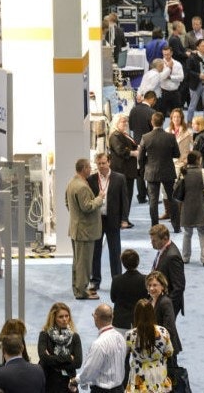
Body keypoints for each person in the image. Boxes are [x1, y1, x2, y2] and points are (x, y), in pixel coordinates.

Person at [86, 152, 129, 292]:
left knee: (115, 252)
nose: (101, 166)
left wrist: (124, 219)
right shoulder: (91, 179)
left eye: (104, 163)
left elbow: (124, 200)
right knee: (95, 252)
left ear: (109, 162)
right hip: (97, 220)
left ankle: (117, 281)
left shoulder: (119, 178)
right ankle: (95, 281)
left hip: (113, 220)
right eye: (99, 163)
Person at [66, 158, 104, 300]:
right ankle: (82, 292)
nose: (91, 169)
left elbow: (67, 203)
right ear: (84, 169)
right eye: (89, 167)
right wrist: (99, 198)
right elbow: (87, 207)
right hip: (85, 231)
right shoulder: (82, 186)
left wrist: (76, 217)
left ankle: (78, 288)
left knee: (78, 262)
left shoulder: (72, 183)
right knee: (84, 264)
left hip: (77, 229)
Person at [69, 304, 126, 393]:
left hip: (102, 391)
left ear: (96, 318)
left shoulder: (99, 344)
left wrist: (75, 381)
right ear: (112, 317)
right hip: (120, 388)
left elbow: (89, 372)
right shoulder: (121, 337)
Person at [139, 112, 181, 232]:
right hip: (168, 171)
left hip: (151, 172)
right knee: (172, 199)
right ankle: (176, 227)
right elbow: (177, 154)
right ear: (163, 122)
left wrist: (143, 169)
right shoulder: (170, 137)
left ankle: (155, 227)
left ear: (152, 122)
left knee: (153, 201)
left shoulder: (145, 137)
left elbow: (140, 158)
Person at [125, 299, 174, 392]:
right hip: (158, 373)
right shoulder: (163, 331)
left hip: (139, 375)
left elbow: (124, 354)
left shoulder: (130, 335)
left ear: (136, 315)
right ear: (152, 313)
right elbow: (169, 352)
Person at [38, 302, 82, 392]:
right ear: (54, 318)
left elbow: (78, 363)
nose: (65, 319)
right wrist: (68, 358)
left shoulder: (75, 336)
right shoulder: (44, 335)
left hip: (68, 383)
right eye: (61, 317)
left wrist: (52, 359)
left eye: (67, 316)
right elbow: (43, 358)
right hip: (49, 381)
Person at [180, 151, 204, 266]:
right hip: (201, 207)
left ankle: (185, 257)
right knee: (202, 233)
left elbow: (177, 188)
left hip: (187, 207)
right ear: (198, 160)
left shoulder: (183, 172)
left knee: (187, 233)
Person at [146, 271, 182, 369]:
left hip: (166, 349)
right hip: (154, 347)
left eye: (155, 285)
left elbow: (169, 329)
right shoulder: (149, 301)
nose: (151, 288)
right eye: (149, 285)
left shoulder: (165, 302)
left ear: (162, 286)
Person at [149, 224, 186, 317]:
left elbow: (179, 287)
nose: (151, 243)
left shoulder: (172, 257)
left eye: (154, 240)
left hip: (168, 305)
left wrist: (165, 306)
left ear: (165, 239)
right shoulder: (163, 249)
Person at [108, 114, 139, 224]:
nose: (125, 124)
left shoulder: (124, 134)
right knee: (123, 197)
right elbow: (120, 150)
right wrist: (133, 153)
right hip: (121, 171)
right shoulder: (115, 136)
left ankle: (125, 218)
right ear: (116, 123)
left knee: (127, 196)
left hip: (127, 171)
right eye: (123, 122)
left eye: (126, 122)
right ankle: (122, 220)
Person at [110, 249, 149, 334]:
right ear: (138, 262)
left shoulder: (116, 280)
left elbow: (113, 299)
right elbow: (148, 299)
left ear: (123, 263)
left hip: (119, 323)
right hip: (139, 322)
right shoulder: (145, 280)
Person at [128, 91, 156, 204]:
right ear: (152, 99)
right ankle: (151, 195)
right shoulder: (152, 112)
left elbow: (131, 126)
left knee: (139, 171)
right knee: (150, 170)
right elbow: (154, 129)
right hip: (149, 144)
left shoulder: (133, 110)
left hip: (136, 143)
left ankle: (141, 196)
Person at [185, 38, 204, 122]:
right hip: (195, 84)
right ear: (197, 47)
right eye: (203, 46)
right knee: (192, 105)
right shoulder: (192, 57)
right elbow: (188, 71)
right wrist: (198, 75)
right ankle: (189, 122)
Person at [167, 108, 193, 181]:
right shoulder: (167, 131)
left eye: (178, 117)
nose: (176, 119)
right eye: (174, 117)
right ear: (171, 118)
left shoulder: (188, 131)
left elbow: (194, 146)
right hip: (170, 163)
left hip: (183, 163)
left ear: (181, 118)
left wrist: (189, 158)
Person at [159, 45, 184, 118]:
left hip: (175, 92)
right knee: (161, 116)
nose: (166, 56)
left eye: (168, 54)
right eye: (164, 54)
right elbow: (160, 77)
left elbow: (181, 78)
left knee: (177, 115)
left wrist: (170, 77)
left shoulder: (177, 64)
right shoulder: (160, 64)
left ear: (171, 53)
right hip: (164, 92)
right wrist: (168, 70)